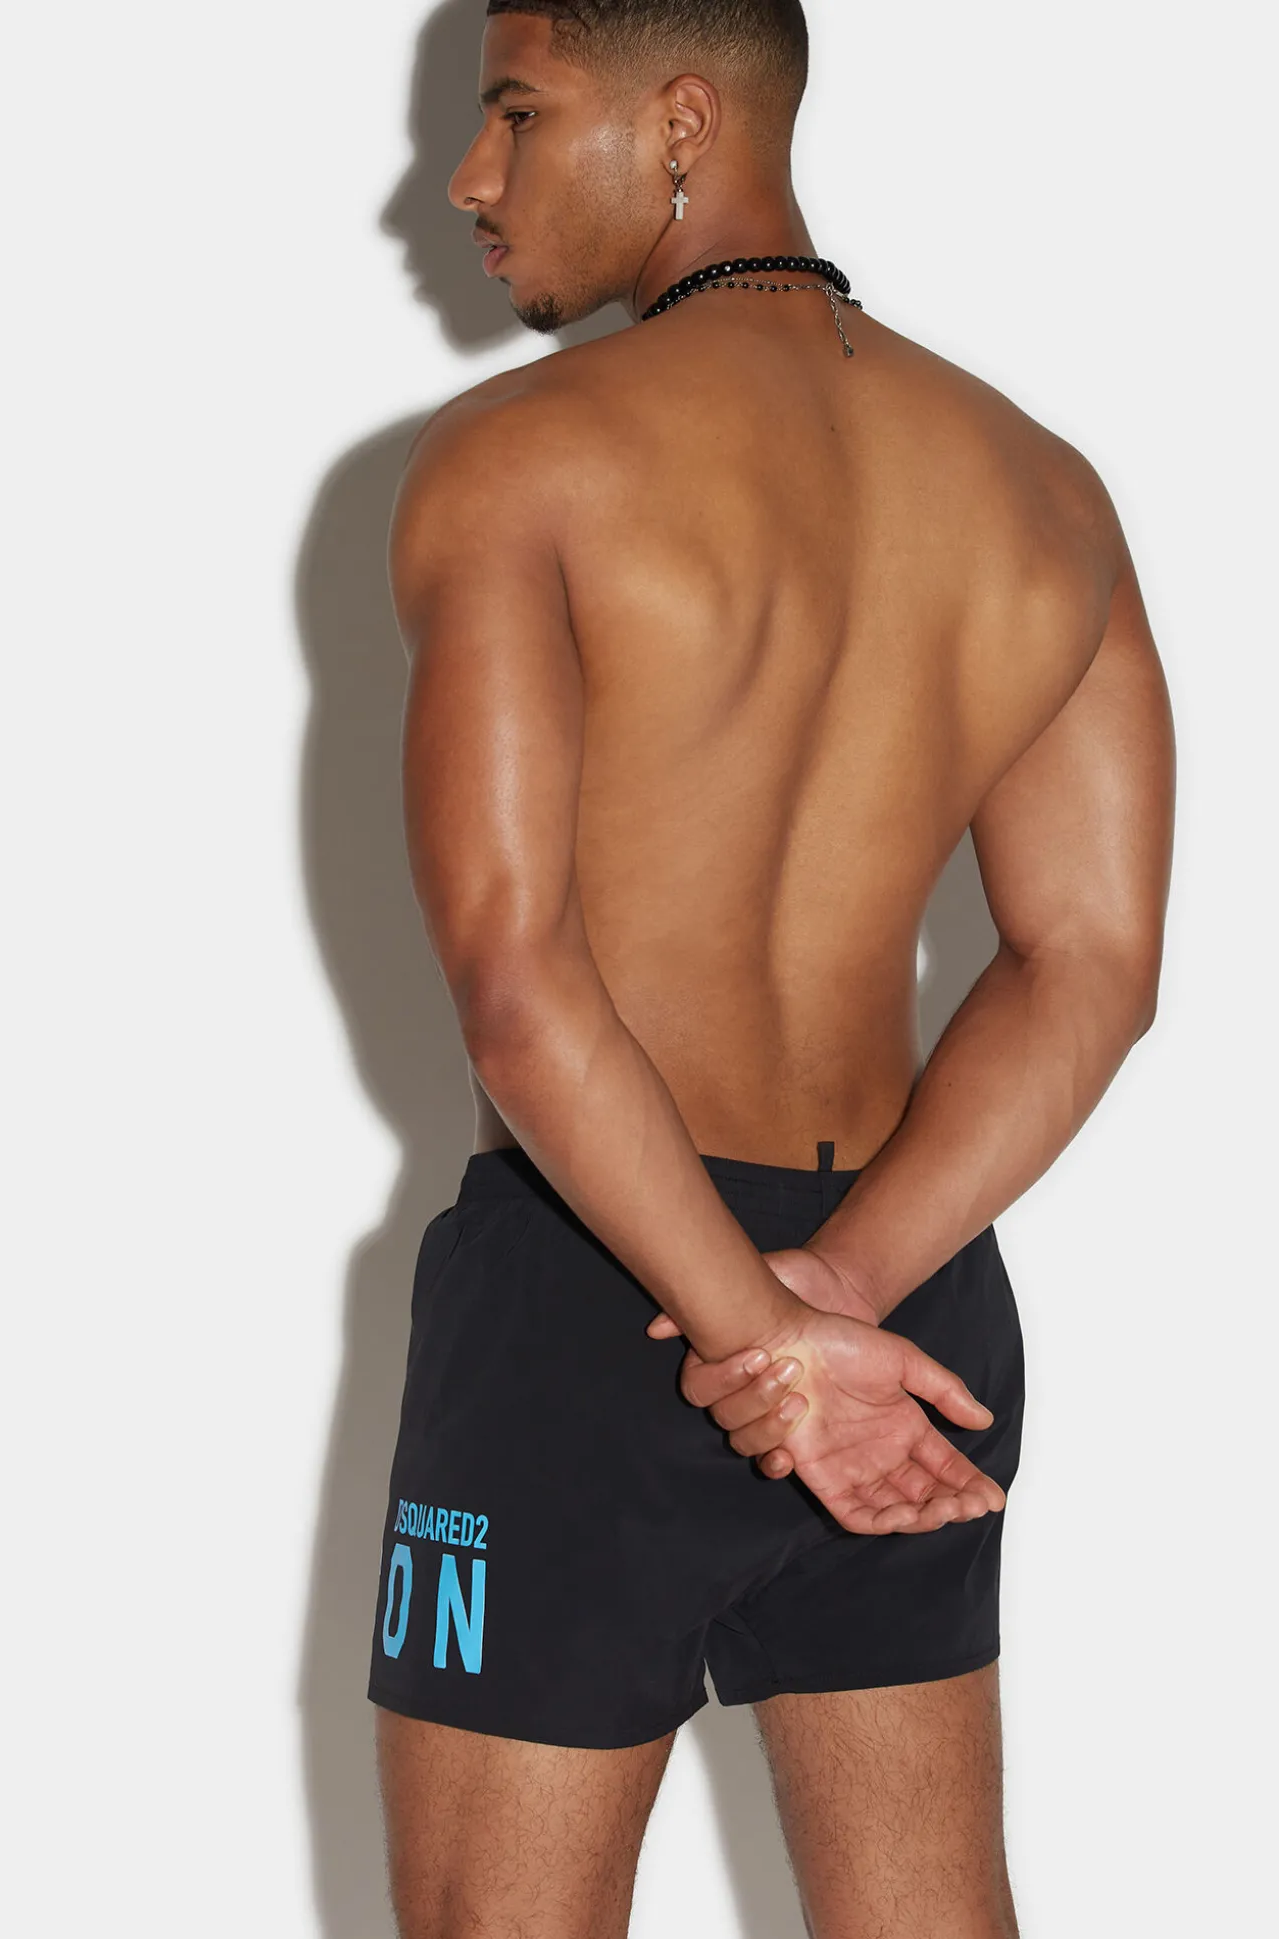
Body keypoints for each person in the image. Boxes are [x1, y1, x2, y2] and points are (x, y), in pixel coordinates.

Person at [365, 2, 1176, 1933]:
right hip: (908, 1304)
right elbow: (1092, 962)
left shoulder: (524, 462)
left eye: (514, 110)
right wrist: (840, 1307)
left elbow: (518, 980)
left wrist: (755, 1340)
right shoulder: (1043, 489)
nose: (466, 178)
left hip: (605, 1286)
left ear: (682, 121)